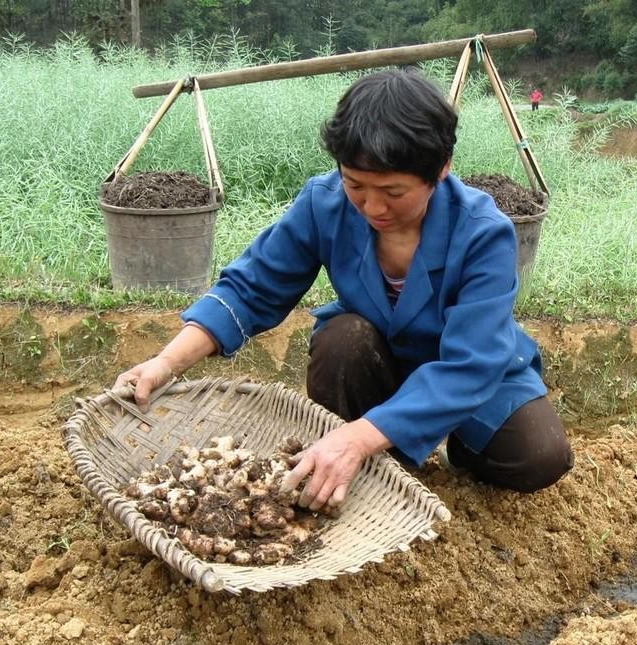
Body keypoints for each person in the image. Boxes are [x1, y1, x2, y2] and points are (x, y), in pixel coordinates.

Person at [115, 68, 574, 512]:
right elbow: (251, 287)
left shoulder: (483, 232)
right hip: (376, 360)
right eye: (356, 184)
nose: (372, 206)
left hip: (464, 370)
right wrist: (166, 363)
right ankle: (370, 463)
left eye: (393, 192)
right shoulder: (325, 202)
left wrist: (359, 435)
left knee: (540, 454)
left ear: (441, 170)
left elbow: (472, 363)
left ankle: (438, 446)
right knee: (343, 339)